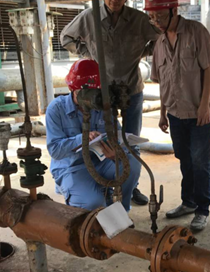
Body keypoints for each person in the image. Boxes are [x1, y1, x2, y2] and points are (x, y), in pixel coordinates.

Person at [60, 0, 159, 206]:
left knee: (131, 140)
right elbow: (65, 38)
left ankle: (131, 185)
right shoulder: (89, 17)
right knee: (105, 140)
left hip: (132, 89)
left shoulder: (138, 20)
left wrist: (142, 53)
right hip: (101, 92)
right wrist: (88, 54)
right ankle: (106, 182)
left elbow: (160, 38)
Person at [145, 0, 210, 232]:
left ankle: (202, 210)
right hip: (175, 114)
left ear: (174, 10)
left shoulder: (197, 32)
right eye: (152, 17)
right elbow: (162, 81)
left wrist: (205, 106)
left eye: (160, 16)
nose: (157, 22)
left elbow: (209, 69)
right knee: (185, 160)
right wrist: (162, 113)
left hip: (198, 113)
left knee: (200, 163)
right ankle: (188, 202)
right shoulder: (160, 43)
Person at [46, 59, 141, 212]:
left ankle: (121, 211)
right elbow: (55, 150)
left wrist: (116, 153)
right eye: (84, 93)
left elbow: (118, 136)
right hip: (73, 167)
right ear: (72, 88)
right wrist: (82, 138)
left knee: (132, 164)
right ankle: (92, 198)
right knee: (94, 205)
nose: (90, 98)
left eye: (94, 92)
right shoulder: (56, 109)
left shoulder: (102, 106)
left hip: (101, 162)